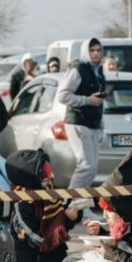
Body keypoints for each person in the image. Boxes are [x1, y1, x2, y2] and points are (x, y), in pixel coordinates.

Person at [57, 38, 105, 190]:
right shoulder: (78, 69)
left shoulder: (98, 71)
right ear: (86, 51)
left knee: (92, 169)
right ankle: (72, 204)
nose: (96, 53)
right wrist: (87, 100)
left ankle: (80, 206)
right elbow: (63, 95)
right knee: (86, 166)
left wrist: (101, 126)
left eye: (98, 50)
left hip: (92, 124)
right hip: (78, 122)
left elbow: (99, 100)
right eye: (92, 50)